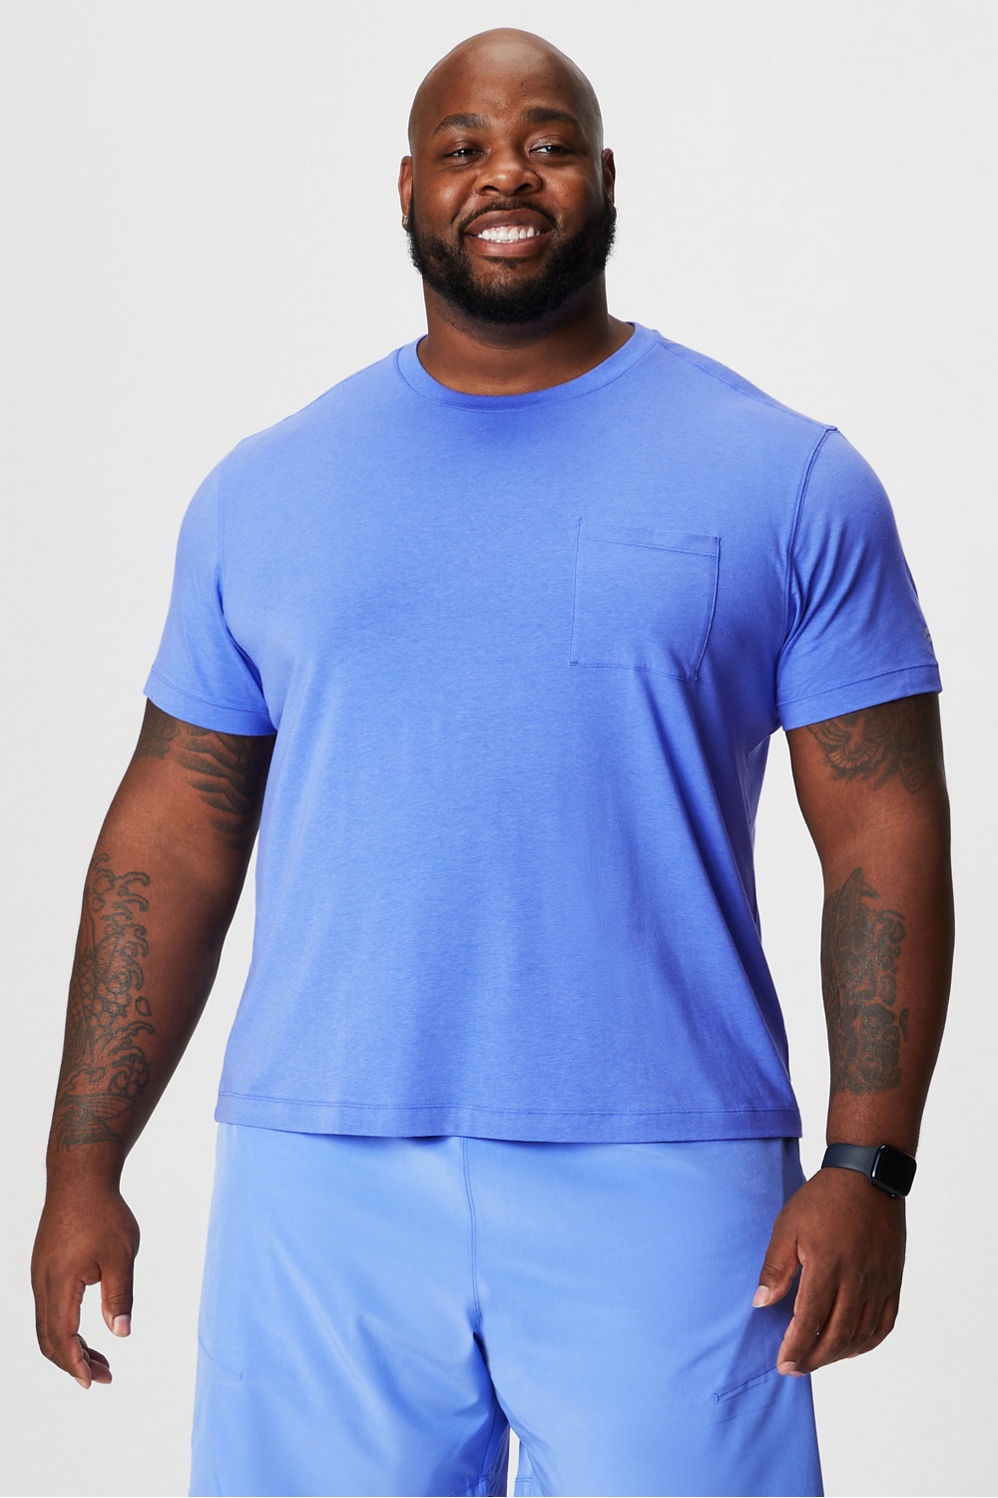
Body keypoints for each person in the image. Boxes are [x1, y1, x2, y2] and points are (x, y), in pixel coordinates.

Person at [31, 26, 953, 1498]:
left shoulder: (787, 477)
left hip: (669, 1165)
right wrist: (84, 1162)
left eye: (547, 143)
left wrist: (869, 1164)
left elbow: (883, 835)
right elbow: (170, 838)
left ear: (606, 179)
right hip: (321, 1172)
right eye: (463, 148)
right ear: (407, 188)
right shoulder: (264, 492)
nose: (505, 174)